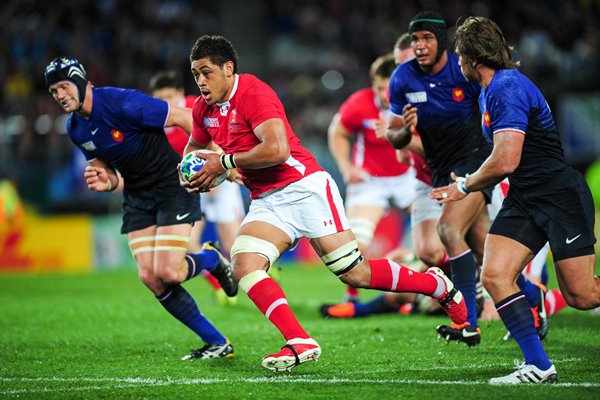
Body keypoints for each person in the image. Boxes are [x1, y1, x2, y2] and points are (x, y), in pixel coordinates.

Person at [183, 34, 467, 372]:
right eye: (195, 73)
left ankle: (436, 285)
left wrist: (225, 163)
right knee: (244, 264)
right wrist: (201, 171)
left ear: (228, 68)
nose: (200, 81)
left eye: (206, 72)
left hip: (305, 188)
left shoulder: (254, 93)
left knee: (356, 274)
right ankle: (299, 340)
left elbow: (277, 150)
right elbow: (193, 151)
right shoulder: (203, 109)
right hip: (267, 200)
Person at [431, 16, 599, 384]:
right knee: (494, 275)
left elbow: (507, 159)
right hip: (525, 197)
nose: (457, 62)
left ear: (472, 58)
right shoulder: (492, 89)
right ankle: (538, 365)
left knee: (583, 295)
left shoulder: (506, 87)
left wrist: (466, 186)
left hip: (558, 196)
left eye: (459, 55)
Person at [45, 56, 238, 361]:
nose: (60, 95)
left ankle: (212, 259)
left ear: (82, 82)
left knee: (168, 271)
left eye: (64, 86)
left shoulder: (123, 103)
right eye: (54, 91)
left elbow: (186, 118)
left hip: (172, 185)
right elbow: (107, 174)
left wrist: (212, 162)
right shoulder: (75, 128)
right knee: (150, 276)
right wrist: (103, 181)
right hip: (136, 195)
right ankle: (217, 342)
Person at [386, 12, 493, 346]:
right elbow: (394, 138)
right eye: (415, 39)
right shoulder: (402, 78)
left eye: (427, 38)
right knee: (485, 247)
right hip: (439, 170)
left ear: (441, 40)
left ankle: (468, 322)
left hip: (476, 162)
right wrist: (403, 129)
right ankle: (534, 302)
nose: (420, 45)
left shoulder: (463, 72)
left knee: (447, 230)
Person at [326, 53, 417, 304]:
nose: (383, 95)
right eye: (379, 88)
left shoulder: (413, 103)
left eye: (388, 89)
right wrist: (346, 168)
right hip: (371, 181)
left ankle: (424, 290)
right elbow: (338, 132)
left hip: (408, 176)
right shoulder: (359, 103)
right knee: (356, 245)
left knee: (433, 242)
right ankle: (352, 295)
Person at [149, 70, 245, 305]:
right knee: (189, 243)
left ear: (180, 94)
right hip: (190, 187)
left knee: (234, 244)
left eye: (170, 97)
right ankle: (220, 286)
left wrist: (217, 175)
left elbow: (219, 137)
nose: (165, 103)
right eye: (160, 99)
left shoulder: (197, 108)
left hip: (220, 179)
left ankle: (261, 271)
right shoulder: (154, 123)